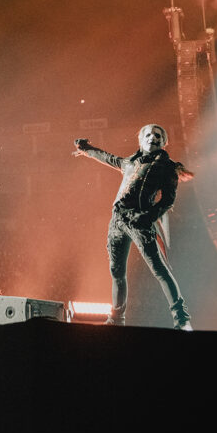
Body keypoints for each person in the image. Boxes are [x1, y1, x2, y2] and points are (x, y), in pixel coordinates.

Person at [73, 124, 193, 329]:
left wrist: (147, 217)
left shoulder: (167, 168)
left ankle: (181, 319)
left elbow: (168, 201)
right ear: (141, 139)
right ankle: (117, 319)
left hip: (139, 221)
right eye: (148, 134)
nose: (152, 138)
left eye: (158, 135)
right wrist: (87, 149)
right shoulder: (129, 162)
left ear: (164, 142)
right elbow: (108, 158)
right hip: (117, 220)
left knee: (159, 270)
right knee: (116, 271)